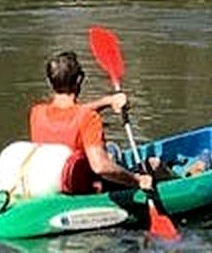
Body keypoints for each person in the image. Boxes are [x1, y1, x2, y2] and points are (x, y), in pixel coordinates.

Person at [29, 51, 154, 194]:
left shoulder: (37, 112)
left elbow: (71, 114)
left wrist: (108, 101)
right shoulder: (88, 118)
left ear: (49, 81)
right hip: (85, 188)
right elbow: (100, 167)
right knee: (153, 164)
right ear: (79, 80)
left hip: (51, 184)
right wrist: (137, 180)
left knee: (112, 149)